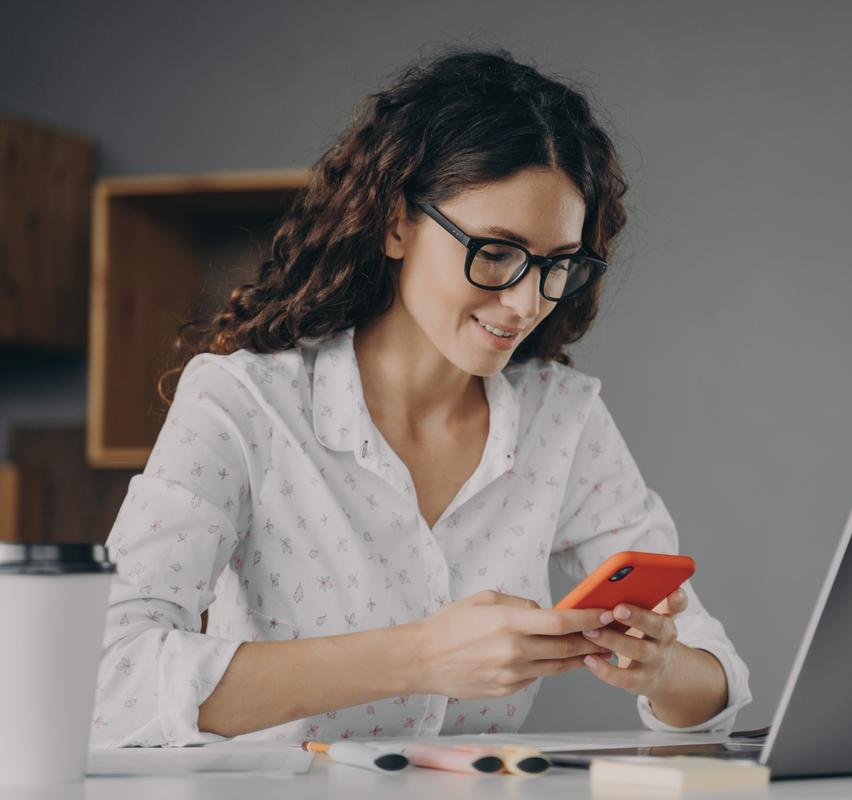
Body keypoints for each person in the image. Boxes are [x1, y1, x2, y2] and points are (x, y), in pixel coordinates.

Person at [92, 48, 751, 747]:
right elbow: (109, 682)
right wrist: (421, 656)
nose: (527, 301)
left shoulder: (563, 416)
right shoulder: (245, 402)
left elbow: (713, 685)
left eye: (559, 265)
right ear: (396, 222)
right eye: (496, 252)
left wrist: (660, 668)